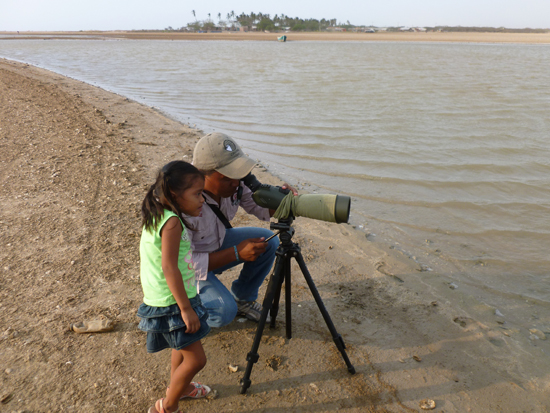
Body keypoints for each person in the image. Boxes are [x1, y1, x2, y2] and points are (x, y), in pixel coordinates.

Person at [185, 132, 297, 328]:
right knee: (223, 311)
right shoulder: (183, 201)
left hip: (216, 243)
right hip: (185, 267)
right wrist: (236, 252)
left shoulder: (235, 184)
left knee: (268, 242)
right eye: (228, 177)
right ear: (203, 174)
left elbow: (260, 208)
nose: (236, 183)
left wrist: (285, 201)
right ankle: (184, 316)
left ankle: (243, 299)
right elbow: (181, 263)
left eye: (237, 175)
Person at [137, 160, 211, 413]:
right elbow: (169, 267)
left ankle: (182, 387)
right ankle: (168, 405)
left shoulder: (158, 215)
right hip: (173, 301)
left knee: (181, 348)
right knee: (197, 359)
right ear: (174, 195)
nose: (203, 199)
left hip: (163, 297)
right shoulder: (172, 223)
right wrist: (185, 308)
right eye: (198, 193)